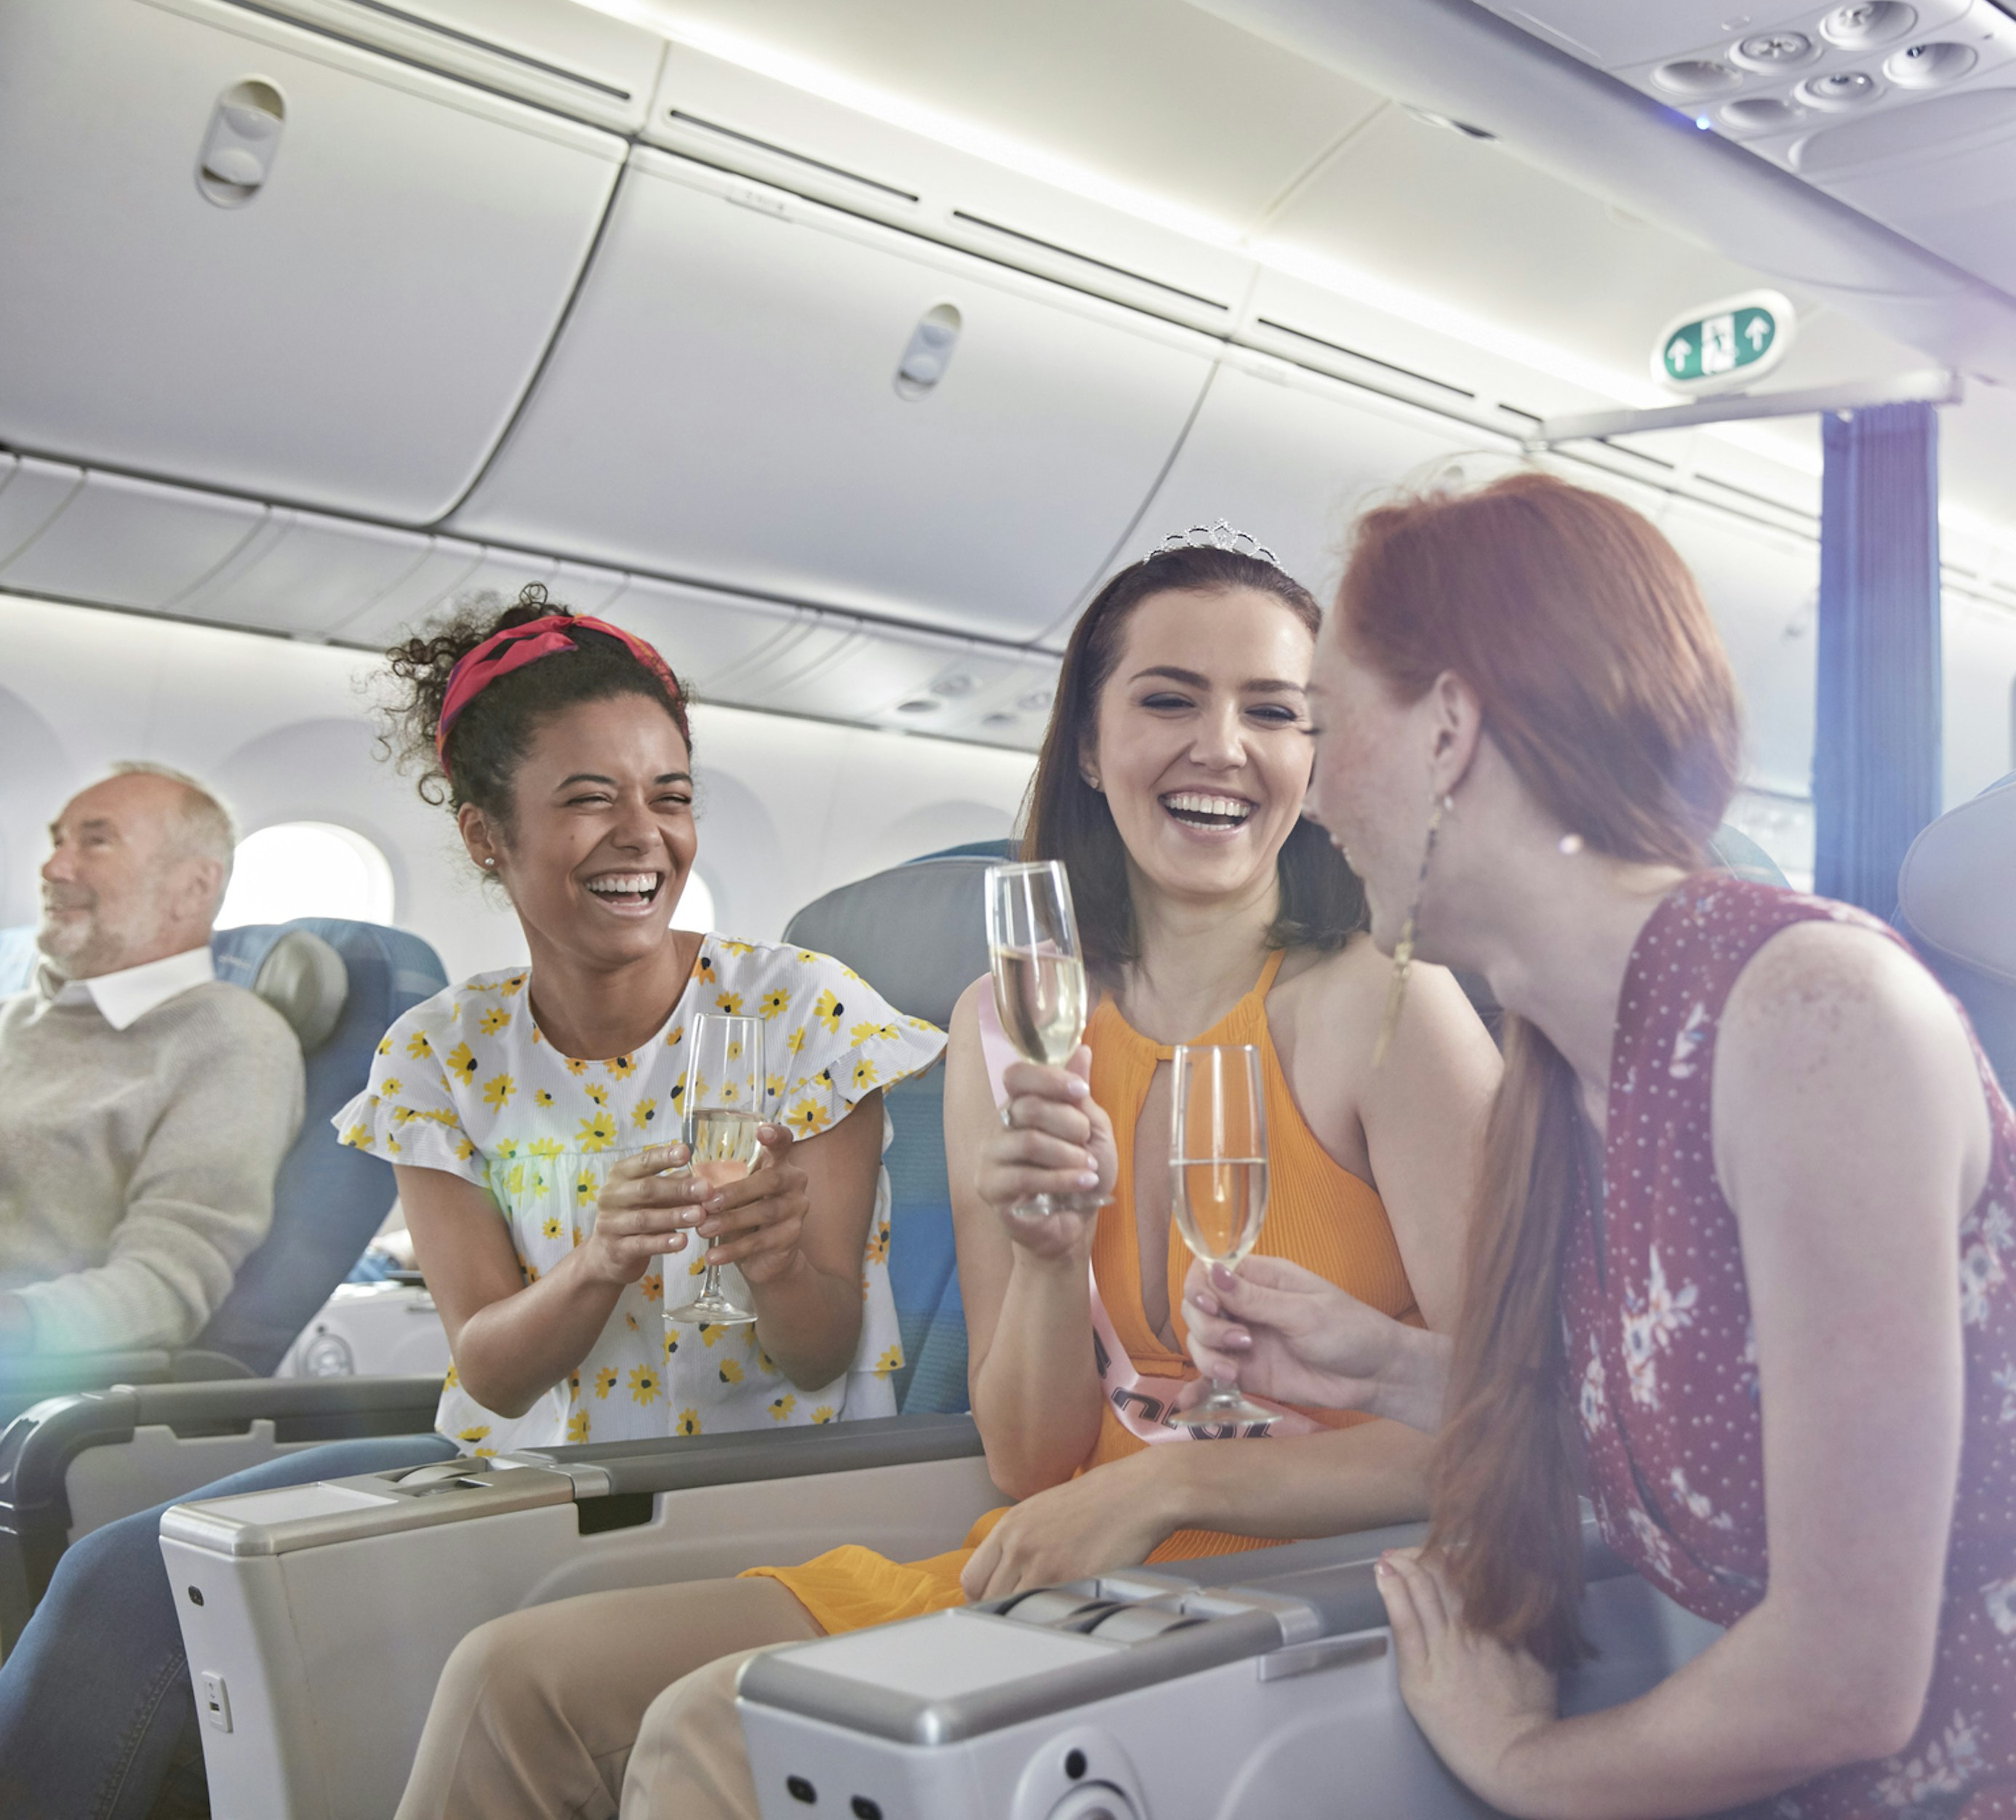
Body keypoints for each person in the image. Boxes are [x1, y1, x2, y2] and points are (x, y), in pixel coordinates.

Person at [1175, 472, 2016, 1820]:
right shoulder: (1564, 1064)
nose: (1315, 787)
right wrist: (1391, 1367)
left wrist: (1525, 1766)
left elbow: (1844, 1675)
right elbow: (1701, 1413)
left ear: (1450, 724)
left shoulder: (1811, 1017)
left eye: (1331, 724)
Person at [391, 528, 1499, 1820]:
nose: (1224, 745)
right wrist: (1043, 1252)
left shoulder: (1391, 1013)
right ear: (1089, 747)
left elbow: (1506, 1439)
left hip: (1317, 1585)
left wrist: (1177, 1481)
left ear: (1315, 758)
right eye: (1168, 700)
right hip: (1073, 1557)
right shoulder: (1007, 1021)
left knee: (716, 1730)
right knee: (512, 1676)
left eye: (1274, 711)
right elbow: (1033, 1461)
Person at [0, 592, 933, 1820]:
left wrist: (773, 1264)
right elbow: (488, 1372)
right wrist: (598, 1262)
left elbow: (818, 1354)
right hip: (517, 1470)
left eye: (673, 793)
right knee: (128, 1570)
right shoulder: (444, 1051)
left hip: (741, 1481)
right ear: (490, 836)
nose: (643, 835)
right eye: (591, 796)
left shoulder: (800, 1014)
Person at [0, 763, 299, 1357]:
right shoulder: (15, 1016)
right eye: (59, 840)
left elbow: (164, 1286)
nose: (54, 867)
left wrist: (16, 1327)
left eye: (96, 840)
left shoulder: (231, 1041)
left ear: (192, 888)